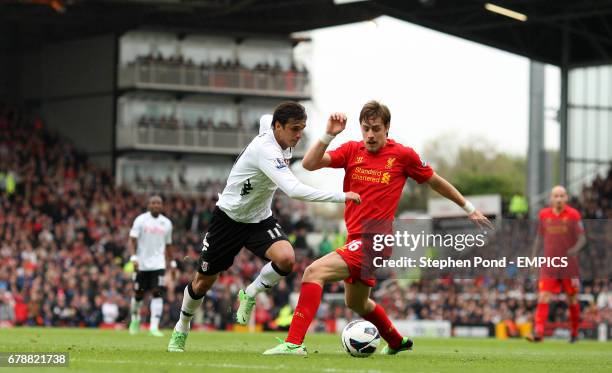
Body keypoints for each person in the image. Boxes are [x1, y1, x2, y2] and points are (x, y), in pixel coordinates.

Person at [264, 100, 492, 356]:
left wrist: (469, 208)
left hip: (375, 240)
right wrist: (329, 135)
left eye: (375, 129)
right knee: (357, 302)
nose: (370, 135)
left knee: (313, 272)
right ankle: (395, 341)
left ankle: (294, 343)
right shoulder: (352, 150)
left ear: (387, 128)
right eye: (365, 129)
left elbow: (436, 182)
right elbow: (309, 163)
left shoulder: (403, 155)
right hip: (356, 238)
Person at [167, 101, 361, 352]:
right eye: (294, 129)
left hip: (259, 219)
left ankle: (250, 293)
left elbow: (264, 117)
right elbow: (293, 189)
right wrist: (342, 196)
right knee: (202, 283)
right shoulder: (266, 150)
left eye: (302, 128)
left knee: (286, 259)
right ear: (277, 127)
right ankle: (182, 327)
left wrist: (326, 133)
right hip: (228, 219)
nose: (299, 135)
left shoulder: (277, 133)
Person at [527, 185, 586, 343]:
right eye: (556, 196)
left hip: (569, 265)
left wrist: (575, 249)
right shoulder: (544, 214)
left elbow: (582, 238)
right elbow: (539, 238)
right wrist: (533, 258)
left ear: (566, 198)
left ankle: (574, 333)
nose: (559, 198)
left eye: (562, 196)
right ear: (551, 199)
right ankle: (539, 332)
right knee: (543, 296)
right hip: (549, 264)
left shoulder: (574, 214)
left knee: (572, 299)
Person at [128, 195, 174, 337]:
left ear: (162, 206)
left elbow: (168, 245)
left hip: (158, 264)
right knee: (138, 295)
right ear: (148, 205)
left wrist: (172, 263)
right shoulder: (141, 220)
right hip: (141, 264)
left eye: (158, 203)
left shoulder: (166, 223)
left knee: (157, 293)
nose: (156, 205)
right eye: (153, 203)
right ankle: (135, 319)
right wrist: (133, 257)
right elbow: (132, 240)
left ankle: (154, 327)